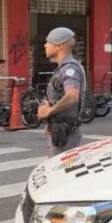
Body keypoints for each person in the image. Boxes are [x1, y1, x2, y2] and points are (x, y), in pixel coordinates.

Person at [37, 28, 85, 157]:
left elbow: (72, 96)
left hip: (66, 134)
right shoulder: (63, 68)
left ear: (59, 46)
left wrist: (49, 111)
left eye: (48, 42)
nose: (45, 45)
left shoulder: (69, 69)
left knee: (64, 171)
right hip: (60, 131)